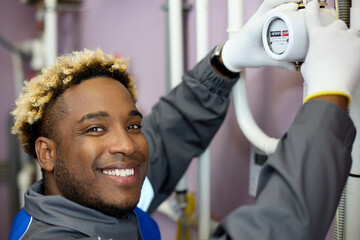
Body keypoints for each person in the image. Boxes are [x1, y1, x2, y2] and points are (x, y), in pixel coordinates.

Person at [8, 0, 360, 239]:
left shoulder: (101, 197)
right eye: (96, 128)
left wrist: (226, 61)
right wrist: (328, 95)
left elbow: (166, 136)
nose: (126, 144)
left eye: (133, 125)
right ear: (47, 153)